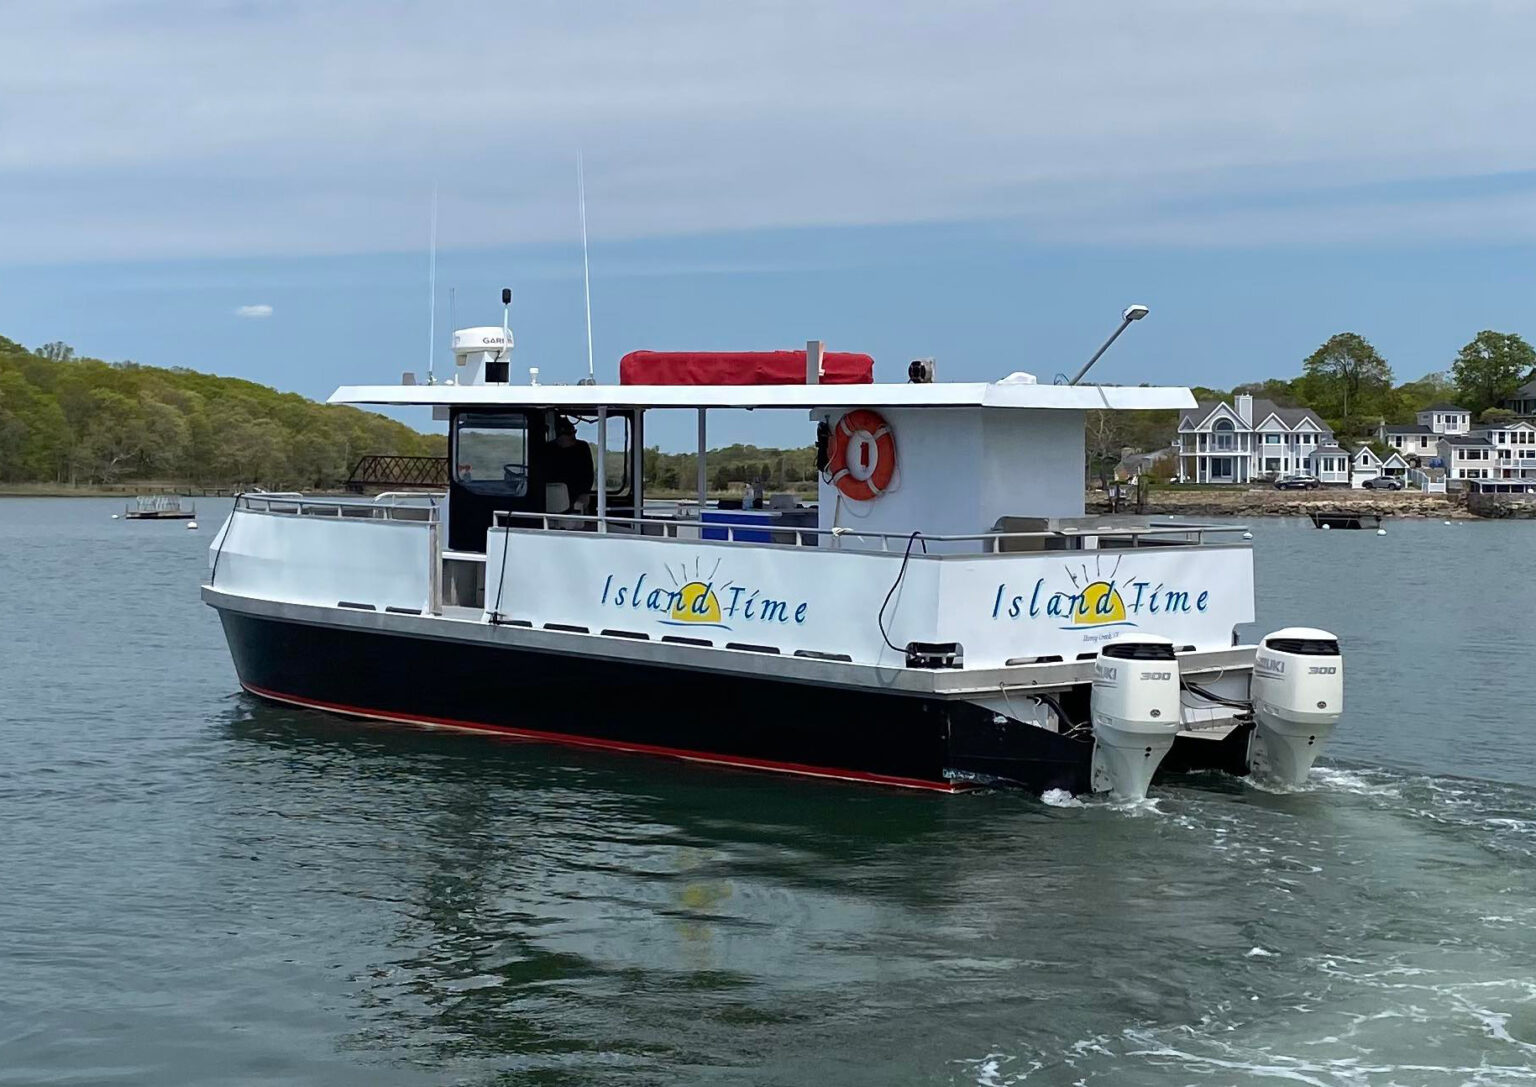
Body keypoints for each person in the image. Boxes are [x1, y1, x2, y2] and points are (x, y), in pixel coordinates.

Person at [548, 416, 595, 512]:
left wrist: (584, 493)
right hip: (552, 494)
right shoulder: (548, 450)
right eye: (569, 434)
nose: (573, 437)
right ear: (559, 436)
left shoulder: (582, 448)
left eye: (574, 433)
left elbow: (588, 473)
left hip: (578, 493)